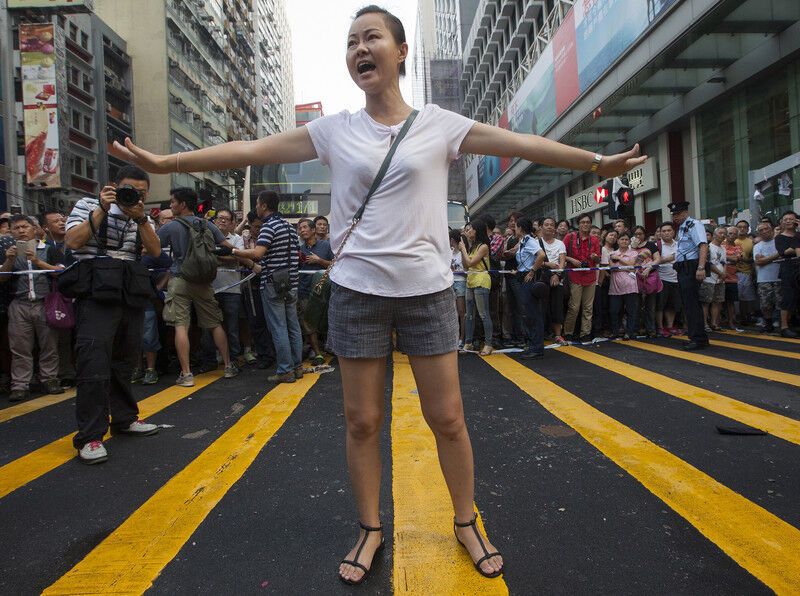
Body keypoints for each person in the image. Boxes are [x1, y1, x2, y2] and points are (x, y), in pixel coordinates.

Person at [110, 4, 644, 583]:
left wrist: (597, 163)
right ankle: (369, 528)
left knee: (449, 419)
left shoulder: (441, 124)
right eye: (350, 42)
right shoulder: (335, 130)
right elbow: (249, 149)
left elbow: (521, 143)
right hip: (356, 292)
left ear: (401, 52)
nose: (359, 49)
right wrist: (167, 161)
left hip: (428, 292)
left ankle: (465, 522)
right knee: (361, 422)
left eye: (371, 38)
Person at [64, 165, 161, 464]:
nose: (134, 196)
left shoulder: (140, 215)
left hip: (128, 294)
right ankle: (90, 436)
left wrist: (141, 217)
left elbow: (155, 251)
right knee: (94, 362)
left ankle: (124, 418)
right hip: (95, 296)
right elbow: (73, 242)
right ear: (113, 187)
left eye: (141, 193)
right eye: (129, 190)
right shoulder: (88, 205)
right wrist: (103, 209)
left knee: (124, 360)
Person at [157, 187, 239, 386]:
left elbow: (152, 249)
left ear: (183, 204)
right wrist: (248, 259)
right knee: (215, 323)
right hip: (204, 280)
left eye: (173, 202)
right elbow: (227, 247)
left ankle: (186, 374)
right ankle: (228, 366)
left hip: (180, 278)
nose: (171, 205)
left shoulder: (170, 227)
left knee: (181, 326)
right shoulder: (207, 225)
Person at [233, 191, 303, 383]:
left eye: (257, 204)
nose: (256, 207)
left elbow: (258, 254)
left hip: (272, 283)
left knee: (278, 327)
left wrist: (235, 250)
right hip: (292, 282)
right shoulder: (289, 227)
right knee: (293, 326)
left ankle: (285, 371)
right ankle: (297, 367)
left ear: (264, 206)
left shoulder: (268, 227)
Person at [0, 214, 64, 401]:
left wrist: (37, 261)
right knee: (19, 347)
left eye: (25, 227)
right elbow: (2, 278)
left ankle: (50, 379)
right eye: (16, 228)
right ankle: (20, 384)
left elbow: (60, 272)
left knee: (49, 345)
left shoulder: (49, 249)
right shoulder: (8, 251)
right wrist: (9, 260)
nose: (21, 231)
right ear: (11, 232)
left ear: (34, 229)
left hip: (45, 302)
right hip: (19, 304)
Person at [201, 208, 246, 369]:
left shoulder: (237, 239)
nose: (222, 221)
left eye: (227, 219)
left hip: (232, 290)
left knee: (232, 326)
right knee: (208, 326)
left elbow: (237, 258)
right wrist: (224, 257)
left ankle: (234, 358)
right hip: (210, 289)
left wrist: (215, 257)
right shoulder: (207, 238)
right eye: (220, 218)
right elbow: (203, 258)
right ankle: (209, 361)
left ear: (233, 222)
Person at [671, 201, 709, 350]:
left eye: (678, 214)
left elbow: (703, 245)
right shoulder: (682, 227)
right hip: (683, 268)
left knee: (692, 305)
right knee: (689, 304)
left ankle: (698, 338)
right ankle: (697, 336)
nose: (675, 217)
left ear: (685, 213)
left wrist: (700, 267)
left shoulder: (694, 224)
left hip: (691, 267)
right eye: (674, 215)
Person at [239, 211, 275, 368]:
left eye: (261, 226)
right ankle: (265, 355)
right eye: (256, 226)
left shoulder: (269, 238)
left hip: (270, 284)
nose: (259, 229)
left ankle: (274, 353)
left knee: (273, 322)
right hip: (251, 286)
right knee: (256, 322)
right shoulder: (244, 240)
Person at [297, 217, 334, 364]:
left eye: (305, 227)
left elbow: (336, 264)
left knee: (327, 321)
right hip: (305, 291)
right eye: (300, 228)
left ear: (313, 230)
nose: (302, 230)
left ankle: (330, 347)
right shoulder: (299, 250)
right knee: (308, 322)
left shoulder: (326, 246)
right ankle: (317, 353)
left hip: (326, 290)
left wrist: (319, 261)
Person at [563, 214, 601, 342]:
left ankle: (585, 333)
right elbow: (561, 254)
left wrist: (595, 257)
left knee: (588, 307)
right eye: (583, 222)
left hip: (590, 276)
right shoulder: (570, 237)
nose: (585, 224)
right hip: (574, 275)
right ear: (578, 224)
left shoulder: (594, 240)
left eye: (588, 222)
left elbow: (598, 259)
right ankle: (568, 332)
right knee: (574, 306)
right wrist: (572, 259)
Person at [513, 217, 546, 358]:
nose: (514, 229)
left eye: (515, 227)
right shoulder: (523, 241)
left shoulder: (529, 241)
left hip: (529, 280)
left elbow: (541, 255)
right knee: (528, 313)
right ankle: (533, 345)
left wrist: (532, 271)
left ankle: (536, 348)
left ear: (521, 228)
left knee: (532, 314)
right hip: (522, 277)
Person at [459, 221, 493, 356]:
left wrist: (462, 249)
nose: (468, 231)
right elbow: (466, 266)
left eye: (470, 229)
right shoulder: (472, 247)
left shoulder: (483, 247)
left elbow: (470, 262)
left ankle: (489, 344)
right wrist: (464, 248)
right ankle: (468, 342)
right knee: (469, 314)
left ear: (477, 231)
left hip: (481, 281)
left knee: (483, 314)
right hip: (471, 281)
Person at [538, 217, 567, 344]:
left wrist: (557, 275)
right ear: (541, 227)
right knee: (541, 308)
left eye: (552, 225)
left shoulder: (560, 243)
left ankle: (558, 335)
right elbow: (535, 262)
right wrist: (547, 264)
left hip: (557, 279)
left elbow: (562, 262)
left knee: (557, 308)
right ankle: (541, 334)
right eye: (546, 224)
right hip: (541, 279)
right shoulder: (536, 242)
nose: (549, 226)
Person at [608, 232, 639, 339]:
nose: (624, 241)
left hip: (630, 286)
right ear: (618, 241)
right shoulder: (612, 254)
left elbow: (632, 265)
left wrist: (620, 259)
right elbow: (613, 268)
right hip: (615, 287)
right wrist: (629, 267)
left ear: (629, 241)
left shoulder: (634, 253)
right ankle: (615, 331)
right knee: (614, 311)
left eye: (626, 239)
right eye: (622, 239)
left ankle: (629, 332)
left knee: (631, 311)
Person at [752, 221, 782, 334]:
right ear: (758, 233)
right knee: (765, 304)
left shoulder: (779, 242)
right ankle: (768, 324)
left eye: (766, 229)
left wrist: (766, 259)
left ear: (772, 229)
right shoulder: (757, 246)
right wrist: (776, 256)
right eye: (761, 230)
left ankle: (783, 324)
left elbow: (783, 254)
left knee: (781, 303)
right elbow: (759, 261)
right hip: (763, 278)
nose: (764, 231)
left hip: (780, 277)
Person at [774, 211, 799, 338]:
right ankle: (784, 327)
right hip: (788, 270)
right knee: (788, 297)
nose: (788, 221)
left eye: (791, 219)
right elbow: (784, 252)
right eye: (785, 219)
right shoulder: (779, 237)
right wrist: (797, 245)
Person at [655, 222, 682, 336]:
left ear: (673, 232)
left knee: (672, 305)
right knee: (660, 305)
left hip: (677, 279)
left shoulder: (679, 244)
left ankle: (670, 326)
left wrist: (667, 258)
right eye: (664, 231)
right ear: (660, 233)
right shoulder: (657, 246)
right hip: (662, 279)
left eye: (669, 230)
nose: (666, 233)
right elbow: (655, 260)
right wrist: (668, 258)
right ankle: (660, 327)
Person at [700, 227, 727, 331]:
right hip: (708, 279)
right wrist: (720, 273)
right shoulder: (708, 247)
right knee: (706, 302)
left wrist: (724, 274)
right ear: (714, 235)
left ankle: (714, 323)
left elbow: (724, 262)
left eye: (725, 233)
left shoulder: (723, 248)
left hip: (720, 279)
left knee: (717, 301)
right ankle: (704, 324)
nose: (723, 235)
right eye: (720, 233)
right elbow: (708, 264)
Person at [594, 229, 618, 337]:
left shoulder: (617, 250)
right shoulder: (601, 248)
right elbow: (602, 266)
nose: (613, 237)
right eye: (610, 234)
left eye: (615, 236)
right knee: (602, 305)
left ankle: (612, 327)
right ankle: (601, 328)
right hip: (603, 280)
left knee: (612, 306)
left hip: (616, 280)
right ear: (605, 236)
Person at [734, 219, 757, 325]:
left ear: (748, 229)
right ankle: (734, 317)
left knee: (746, 298)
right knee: (734, 298)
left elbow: (753, 259)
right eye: (739, 227)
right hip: (732, 273)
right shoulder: (730, 240)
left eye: (744, 227)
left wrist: (743, 260)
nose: (742, 229)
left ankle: (746, 317)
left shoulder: (751, 242)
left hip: (746, 272)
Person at [449, 229, 467, 348]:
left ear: (452, 240)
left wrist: (456, 271)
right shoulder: (450, 252)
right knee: (453, 313)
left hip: (460, 282)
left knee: (461, 312)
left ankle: (462, 338)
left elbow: (467, 269)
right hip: (451, 282)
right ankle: (455, 337)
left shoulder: (462, 252)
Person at [723, 226, 743, 331]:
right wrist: (729, 257)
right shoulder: (720, 245)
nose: (732, 235)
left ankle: (731, 322)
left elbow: (736, 259)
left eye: (734, 234)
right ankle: (717, 322)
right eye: (730, 233)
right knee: (718, 302)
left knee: (730, 302)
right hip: (720, 277)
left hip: (732, 278)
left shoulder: (738, 247)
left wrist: (723, 256)